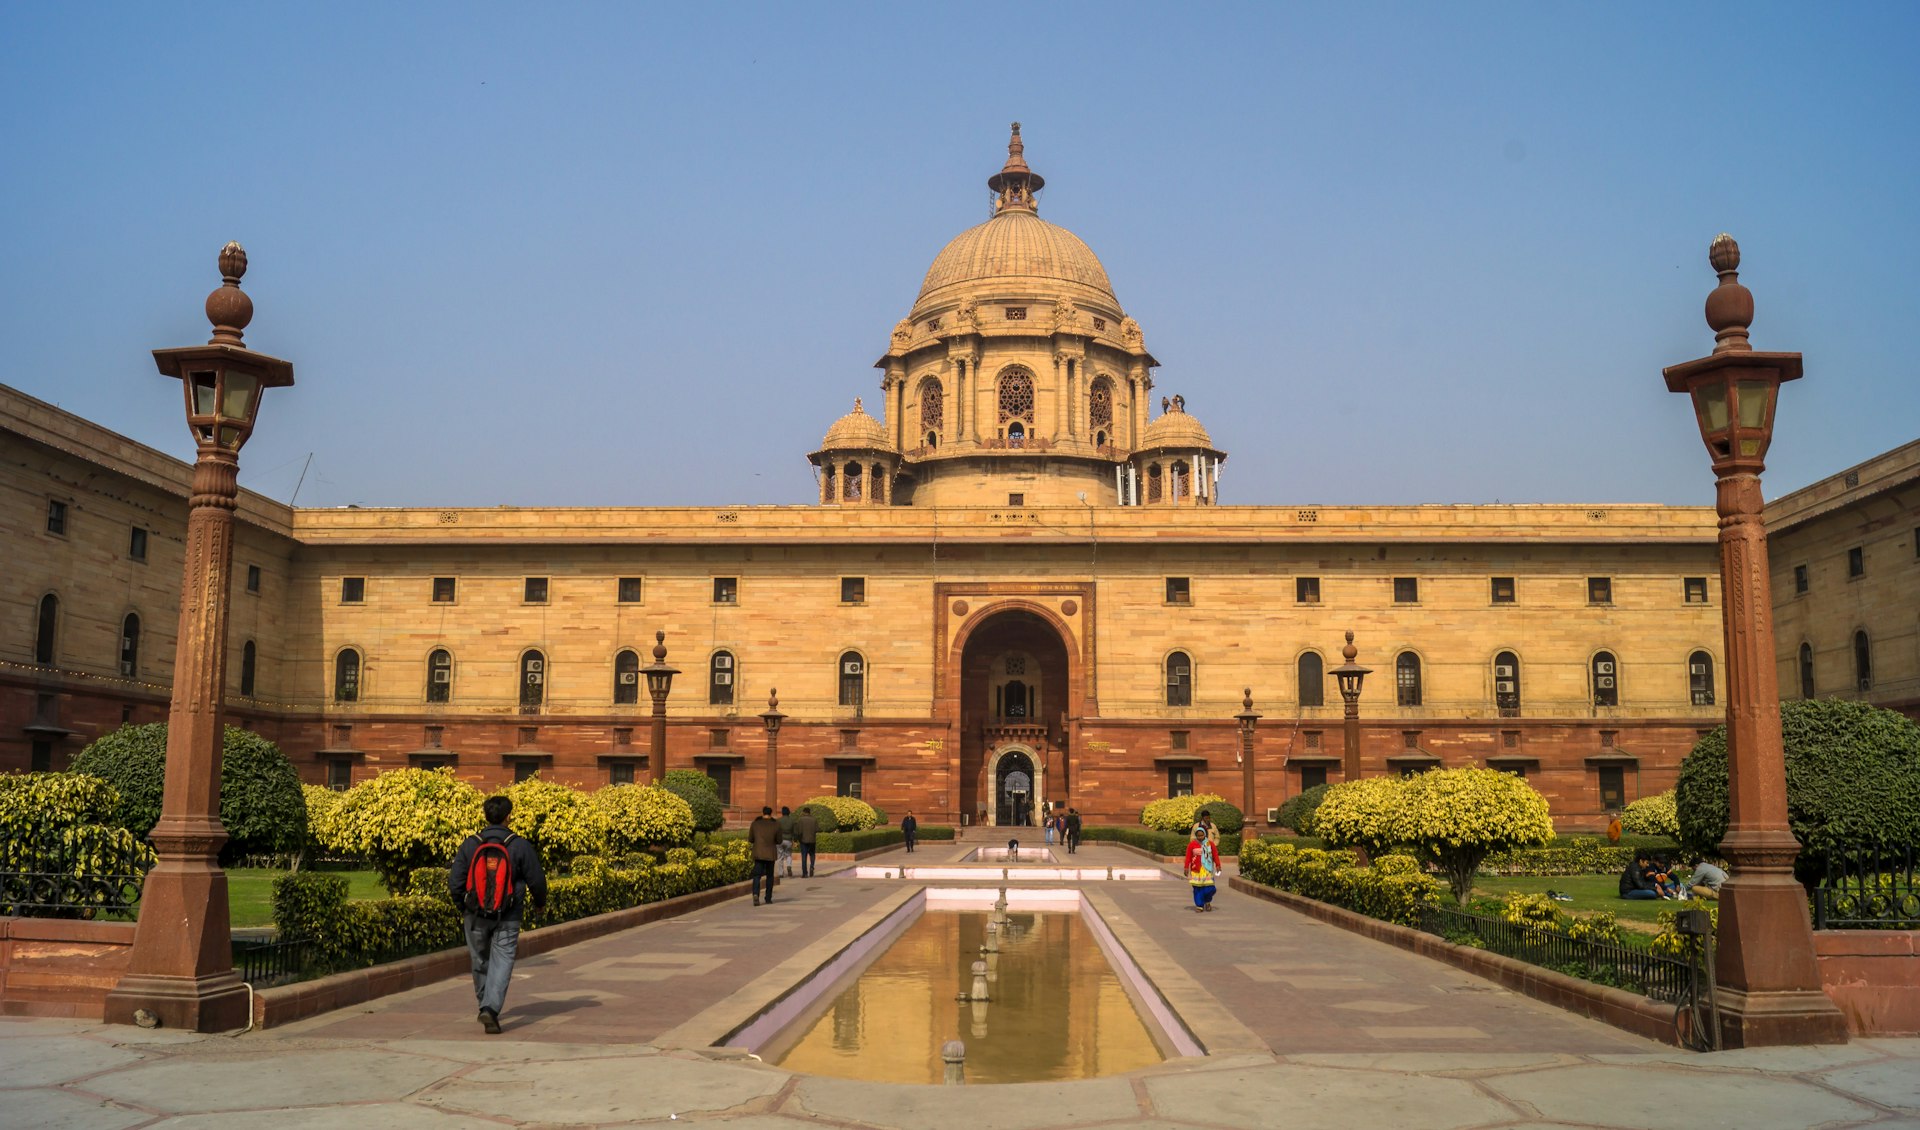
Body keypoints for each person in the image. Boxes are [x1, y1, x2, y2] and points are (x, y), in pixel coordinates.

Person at [449, 794, 547, 1034]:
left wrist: (463, 907)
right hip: (508, 914)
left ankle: (485, 1004)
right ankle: (490, 1008)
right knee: (502, 961)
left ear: (485, 815)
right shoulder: (519, 844)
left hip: (475, 914)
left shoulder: (471, 843)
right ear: (508, 816)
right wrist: (539, 903)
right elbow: (536, 879)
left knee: (479, 960)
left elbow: (455, 882)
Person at [748, 805, 780, 906]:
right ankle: (768, 897)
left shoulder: (755, 824)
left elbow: (750, 839)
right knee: (769, 876)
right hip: (770, 853)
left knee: (757, 875)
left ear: (763, 813)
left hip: (759, 853)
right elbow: (779, 840)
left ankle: (756, 894)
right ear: (770, 813)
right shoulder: (776, 824)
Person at [1185, 822, 1220, 912]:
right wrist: (1186, 868)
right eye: (1198, 836)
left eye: (1202, 835)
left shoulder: (1210, 844)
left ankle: (1207, 901)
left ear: (1205, 834)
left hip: (1207, 869)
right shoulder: (1192, 845)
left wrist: (1218, 865)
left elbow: (1215, 855)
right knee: (1197, 888)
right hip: (1196, 870)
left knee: (1210, 888)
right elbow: (1188, 857)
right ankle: (1199, 906)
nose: (1200, 837)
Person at [795, 805, 820, 877]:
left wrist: (797, 839)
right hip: (812, 840)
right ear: (809, 812)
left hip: (803, 840)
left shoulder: (800, 820)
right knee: (812, 855)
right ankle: (812, 866)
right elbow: (817, 829)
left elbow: (798, 831)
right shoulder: (814, 819)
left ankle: (805, 873)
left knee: (804, 856)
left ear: (804, 812)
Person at [776, 805, 795, 877]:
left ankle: (781, 873)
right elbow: (794, 831)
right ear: (789, 812)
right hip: (788, 840)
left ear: (782, 812)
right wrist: (794, 840)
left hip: (780, 840)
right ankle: (789, 866)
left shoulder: (778, 821)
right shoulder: (792, 820)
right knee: (788, 855)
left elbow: (776, 831)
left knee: (780, 857)